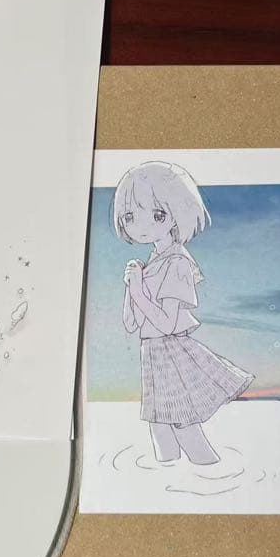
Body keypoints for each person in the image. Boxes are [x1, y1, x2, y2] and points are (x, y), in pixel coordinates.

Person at [113, 161, 254, 465]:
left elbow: (166, 323)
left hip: (171, 350)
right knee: (158, 423)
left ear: (176, 214)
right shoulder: (149, 264)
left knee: (182, 421)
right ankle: (168, 478)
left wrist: (138, 289)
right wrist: (131, 286)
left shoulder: (178, 263)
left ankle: (208, 475)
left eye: (157, 215)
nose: (141, 226)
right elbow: (130, 323)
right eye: (130, 216)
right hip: (150, 352)